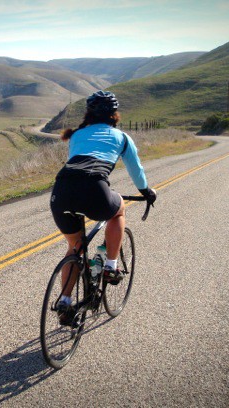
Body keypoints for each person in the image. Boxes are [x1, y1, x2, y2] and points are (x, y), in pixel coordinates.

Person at [49, 90, 157, 324]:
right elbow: (136, 170)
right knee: (117, 209)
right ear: (114, 115)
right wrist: (146, 192)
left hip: (61, 190)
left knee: (75, 247)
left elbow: (77, 162)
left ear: (89, 113)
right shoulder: (122, 137)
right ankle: (110, 266)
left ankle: (65, 302)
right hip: (94, 188)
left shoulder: (77, 134)